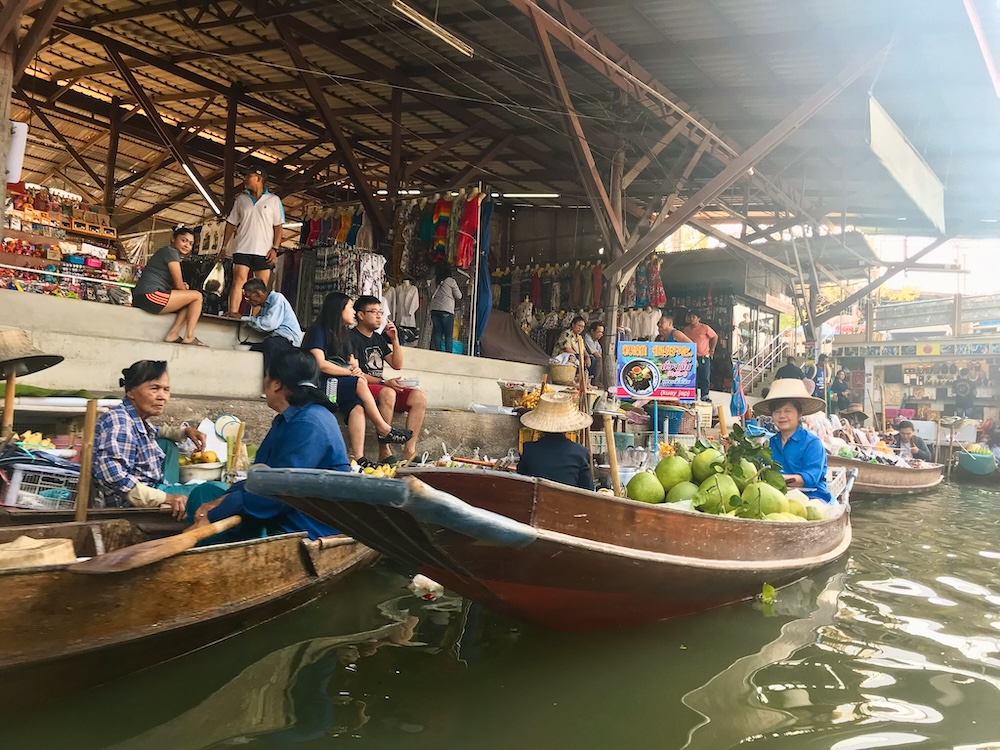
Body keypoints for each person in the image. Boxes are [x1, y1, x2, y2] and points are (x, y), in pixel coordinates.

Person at [186, 350, 343, 541]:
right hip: (276, 502)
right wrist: (223, 500)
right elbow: (261, 479)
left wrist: (215, 513)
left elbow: (281, 492)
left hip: (303, 524)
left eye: (266, 377)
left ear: (276, 384)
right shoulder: (286, 420)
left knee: (213, 518)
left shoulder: (310, 423)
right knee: (203, 494)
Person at [302, 292, 411, 467]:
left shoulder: (343, 334)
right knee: (359, 382)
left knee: (357, 407)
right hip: (319, 385)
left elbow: (352, 363)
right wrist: (352, 374)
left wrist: (356, 370)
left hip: (337, 385)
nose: (353, 312)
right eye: (350, 307)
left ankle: (359, 458)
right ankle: (384, 429)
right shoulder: (318, 330)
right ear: (338, 309)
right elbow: (320, 364)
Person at [92, 360, 211, 516]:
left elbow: (154, 431)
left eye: (166, 389)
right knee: (214, 491)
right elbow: (114, 478)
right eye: (154, 389)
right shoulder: (119, 423)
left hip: (153, 488)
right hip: (130, 505)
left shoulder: (135, 418)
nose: (162, 397)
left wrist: (185, 431)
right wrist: (166, 498)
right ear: (131, 392)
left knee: (168, 444)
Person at [349, 294, 426, 462]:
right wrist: (385, 382)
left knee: (419, 397)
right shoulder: (350, 338)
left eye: (380, 312)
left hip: (380, 386)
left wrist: (395, 339)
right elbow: (355, 373)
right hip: (363, 388)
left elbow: (396, 364)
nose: (379, 316)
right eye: (374, 312)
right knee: (388, 393)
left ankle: (409, 451)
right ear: (360, 315)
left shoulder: (378, 338)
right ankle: (384, 451)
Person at [751, 378, 833, 502]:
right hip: (777, 497)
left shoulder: (812, 443)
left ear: (799, 414)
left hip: (812, 498)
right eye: (777, 411)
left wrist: (776, 479)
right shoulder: (771, 443)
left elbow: (810, 479)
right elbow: (757, 469)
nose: (782, 416)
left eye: (787, 411)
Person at [219, 166, 285, 318]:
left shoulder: (274, 200)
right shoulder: (241, 199)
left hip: (264, 250)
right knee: (238, 280)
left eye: (249, 176)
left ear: (259, 179)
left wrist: (275, 248)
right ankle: (233, 313)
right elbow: (231, 223)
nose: (245, 179)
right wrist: (223, 246)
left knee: (260, 286)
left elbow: (278, 227)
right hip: (242, 247)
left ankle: (255, 318)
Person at [131, 225, 206, 346]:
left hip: (143, 296)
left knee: (189, 301)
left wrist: (183, 288)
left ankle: (173, 334)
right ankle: (189, 336)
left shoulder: (167, 252)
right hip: (150, 295)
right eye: (184, 240)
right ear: (173, 239)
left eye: (191, 243)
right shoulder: (170, 252)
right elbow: (179, 285)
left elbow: (176, 285)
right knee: (197, 296)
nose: (187, 245)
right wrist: (183, 288)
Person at [517, 392, 593, 490]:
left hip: (537, 502)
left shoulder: (529, 449)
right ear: (567, 428)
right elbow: (587, 489)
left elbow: (521, 480)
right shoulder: (580, 452)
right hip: (567, 503)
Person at [241, 278, 302, 369]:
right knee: (248, 346)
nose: (247, 300)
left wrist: (243, 318)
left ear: (258, 293)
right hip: (277, 339)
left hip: (289, 341)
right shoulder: (264, 306)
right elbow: (258, 321)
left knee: (270, 344)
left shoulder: (277, 298)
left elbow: (268, 324)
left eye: (248, 297)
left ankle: (271, 377)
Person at [682, 310, 717, 402]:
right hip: (691, 357)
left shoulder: (705, 328)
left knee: (705, 376)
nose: (692, 319)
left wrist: (712, 349)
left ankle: (705, 395)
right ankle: (693, 395)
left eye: (694, 317)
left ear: (699, 319)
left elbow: (715, 336)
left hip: (703, 356)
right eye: (690, 317)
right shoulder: (686, 329)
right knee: (692, 377)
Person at [429, 260, 462, 352]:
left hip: (434, 309)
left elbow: (432, 293)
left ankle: (438, 353)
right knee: (448, 335)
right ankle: (448, 354)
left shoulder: (433, 281)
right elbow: (459, 296)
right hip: (447, 310)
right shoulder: (450, 281)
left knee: (437, 333)